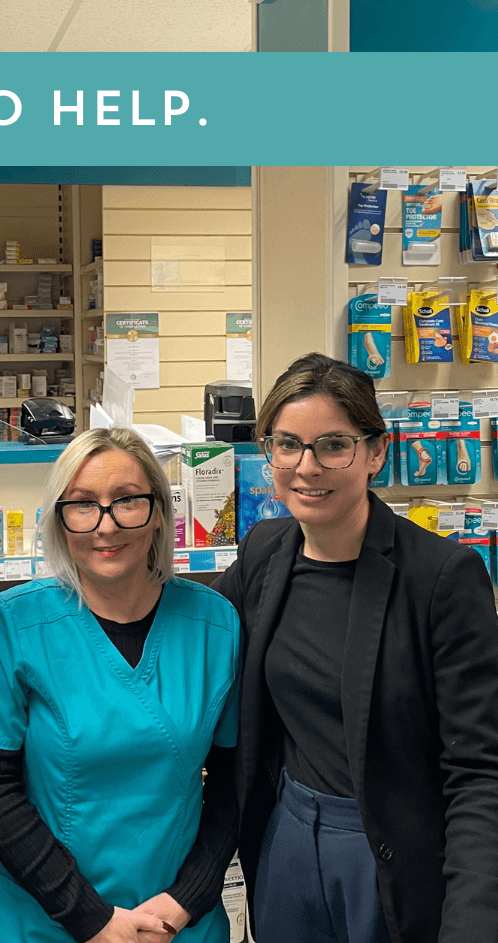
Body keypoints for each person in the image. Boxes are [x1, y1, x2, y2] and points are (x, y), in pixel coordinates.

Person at [212, 353, 498, 943]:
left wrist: (472, 919)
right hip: (286, 840)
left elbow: (479, 770)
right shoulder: (266, 552)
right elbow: (191, 633)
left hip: (391, 854)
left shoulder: (442, 578)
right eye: (287, 444)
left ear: (375, 452)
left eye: (332, 445)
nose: (305, 466)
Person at [0, 427, 240, 943]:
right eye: (83, 505)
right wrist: (90, 917)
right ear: (59, 518)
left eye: (128, 501)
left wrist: (187, 899)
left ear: (158, 510)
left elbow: (231, 781)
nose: (106, 526)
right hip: (45, 921)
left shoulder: (215, 625)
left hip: (174, 923)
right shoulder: (14, 624)